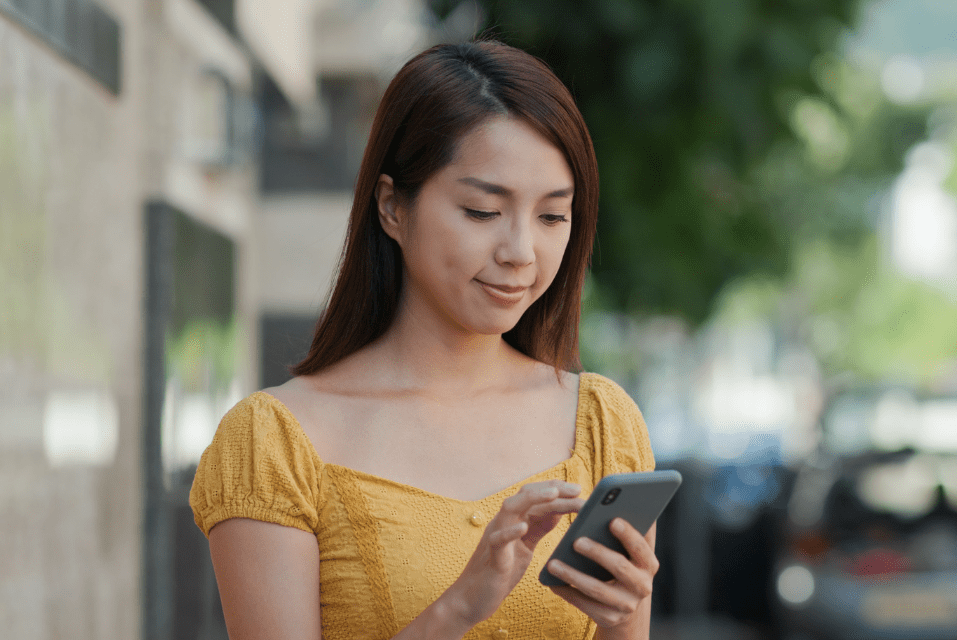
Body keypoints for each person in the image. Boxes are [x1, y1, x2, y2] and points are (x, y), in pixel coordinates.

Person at [190, 39, 658, 640]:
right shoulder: (275, 444)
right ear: (392, 206)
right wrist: (457, 609)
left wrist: (620, 622)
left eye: (551, 217)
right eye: (483, 211)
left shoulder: (601, 425)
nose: (520, 253)